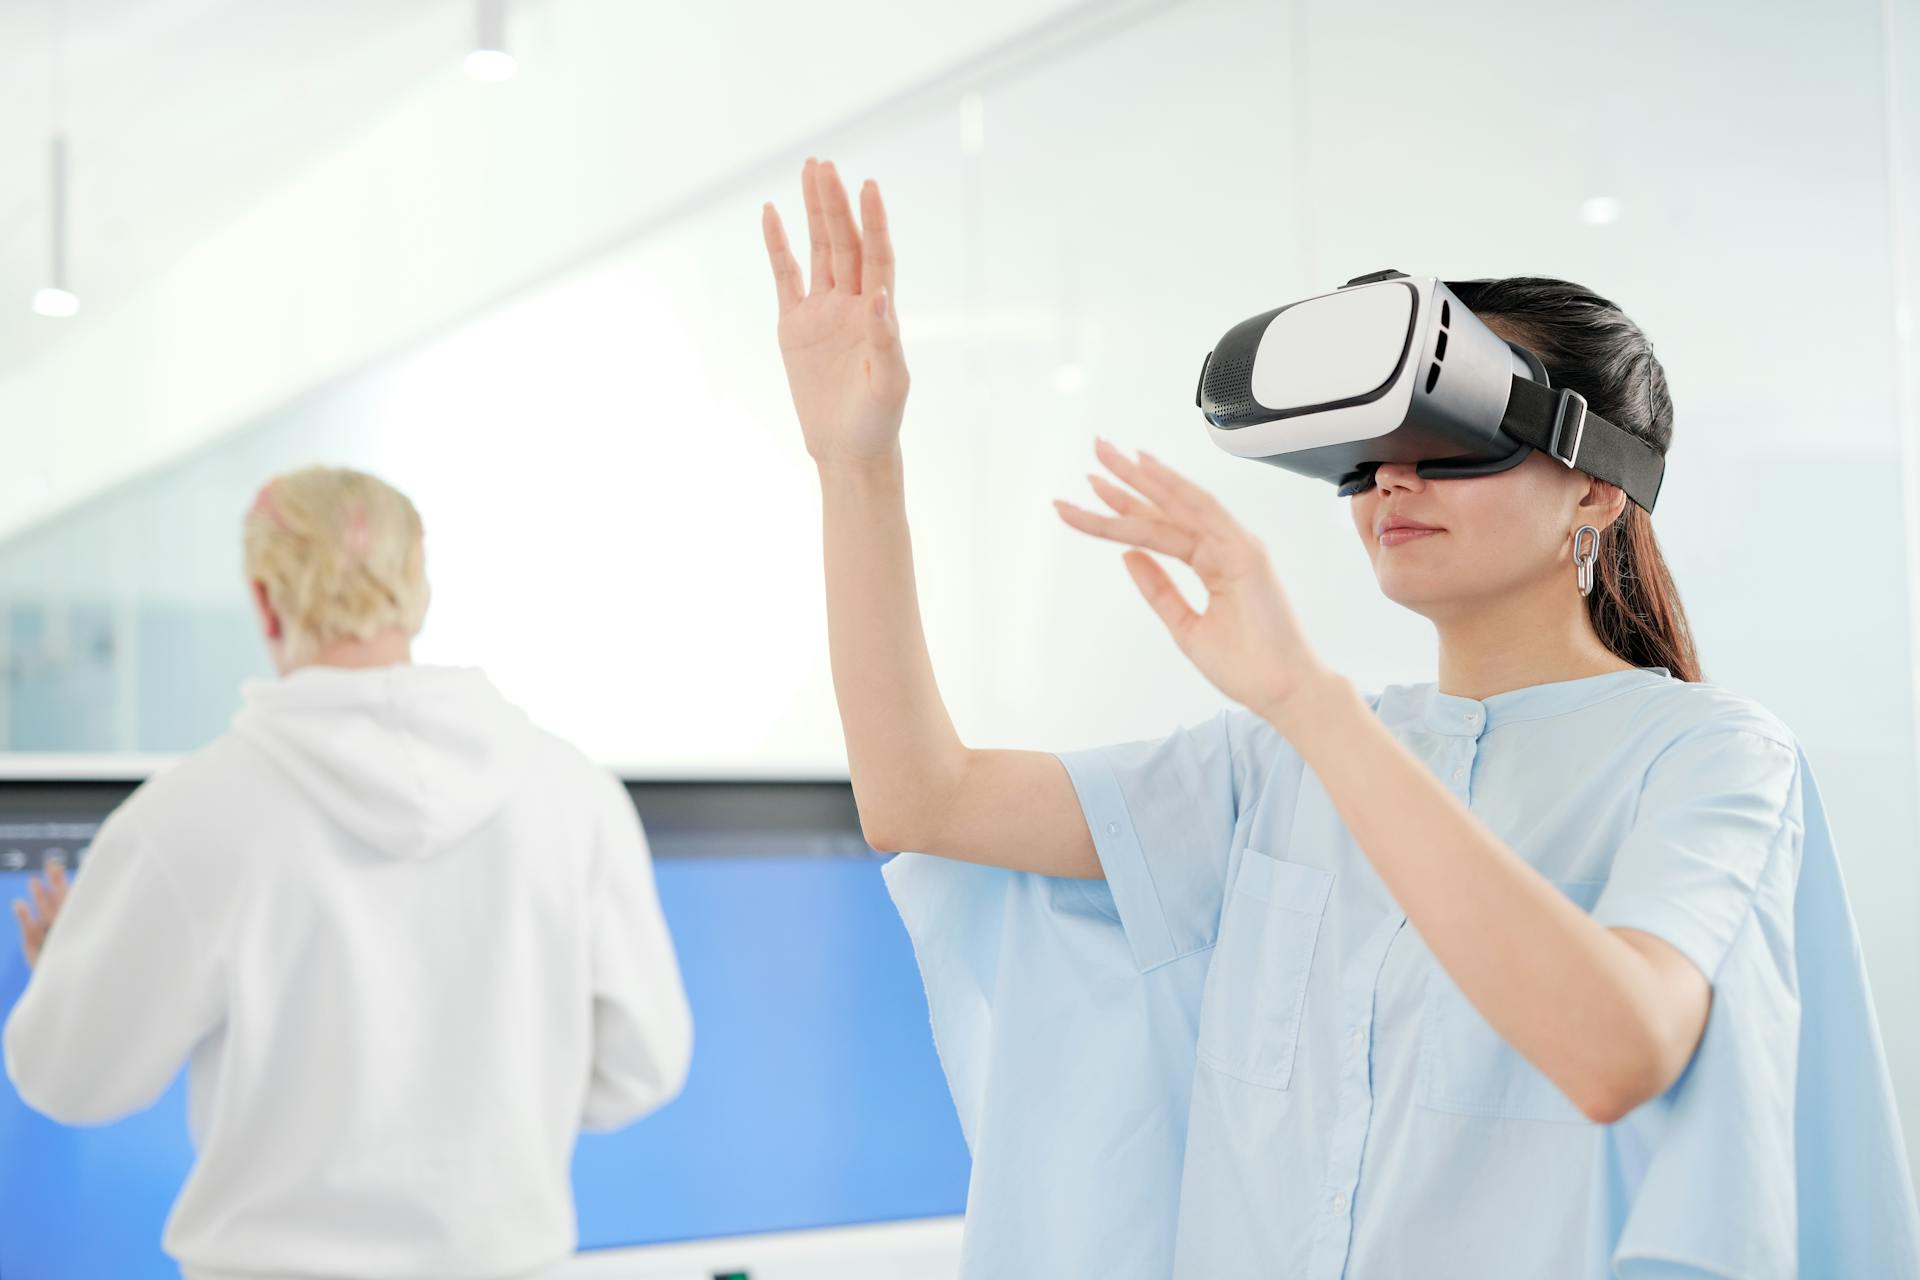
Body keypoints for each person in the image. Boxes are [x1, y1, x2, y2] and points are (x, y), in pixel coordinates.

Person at [759, 158, 1920, 1278]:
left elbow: (1621, 1049)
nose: (1394, 480)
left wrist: (1307, 702)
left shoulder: (1709, 759)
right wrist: (855, 467)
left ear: (1598, 484)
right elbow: (922, 798)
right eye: (1366, 454)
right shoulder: (1270, 767)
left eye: (1455, 432)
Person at [4, 466, 692, 1280]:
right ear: (417, 584)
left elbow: (73, 1079)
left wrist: (73, 978)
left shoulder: (189, 814)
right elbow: (644, 1066)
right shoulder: (576, 795)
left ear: (264, 599)